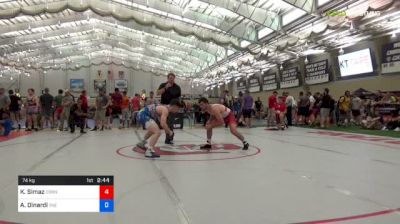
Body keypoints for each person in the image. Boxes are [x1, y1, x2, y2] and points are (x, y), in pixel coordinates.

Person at [157, 72, 181, 144]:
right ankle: (168, 135)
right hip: (163, 106)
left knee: (170, 123)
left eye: (172, 78)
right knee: (164, 122)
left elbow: (179, 98)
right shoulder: (163, 85)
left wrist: (178, 107)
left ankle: (169, 138)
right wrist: (165, 88)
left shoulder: (177, 87)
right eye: (170, 78)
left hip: (172, 107)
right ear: (167, 78)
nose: (171, 80)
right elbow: (158, 93)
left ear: (174, 79)